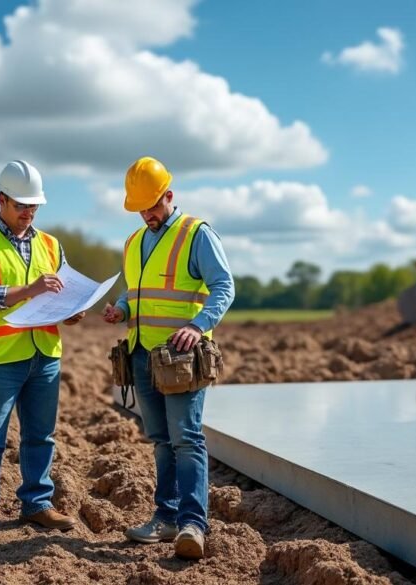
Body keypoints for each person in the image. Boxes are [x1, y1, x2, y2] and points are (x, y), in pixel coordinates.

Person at [102, 156, 234, 560]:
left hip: (180, 358)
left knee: (187, 439)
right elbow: (136, 292)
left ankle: (193, 524)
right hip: (142, 354)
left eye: (153, 206)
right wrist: (121, 309)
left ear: (169, 196)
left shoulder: (196, 234)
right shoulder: (134, 242)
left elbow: (223, 286)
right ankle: (166, 517)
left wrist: (198, 326)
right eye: (141, 209)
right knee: (161, 440)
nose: (148, 215)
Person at [0, 160, 83, 539]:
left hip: (44, 355)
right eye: (21, 206)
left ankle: (37, 503)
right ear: (1, 199)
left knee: (40, 435)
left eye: (34, 207)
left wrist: (71, 311)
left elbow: (63, 289)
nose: (28, 213)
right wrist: (29, 290)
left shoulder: (50, 244)